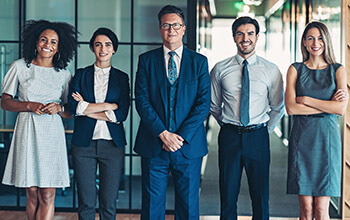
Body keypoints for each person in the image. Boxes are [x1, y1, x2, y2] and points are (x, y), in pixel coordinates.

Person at [134, 5, 210, 220]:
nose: (171, 30)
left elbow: (203, 104)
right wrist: (162, 133)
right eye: (166, 25)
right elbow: (142, 100)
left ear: (184, 29)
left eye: (176, 25)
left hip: (188, 146)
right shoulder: (146, 61)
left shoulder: (199, 62)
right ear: (160, 29)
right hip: (154, 143)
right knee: (151, 206)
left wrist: (179, 136)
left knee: (188, 206)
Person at [1, 20, 77, 220]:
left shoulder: (63, 75)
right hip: (27, 132)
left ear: (59, 47)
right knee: (32, 193)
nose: (47, 45)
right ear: (35, 42)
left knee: (47, 193)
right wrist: (29, 105)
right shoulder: (19, 67)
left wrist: (59, 108)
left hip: (52, 135)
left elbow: (69, 111)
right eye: (44, 39)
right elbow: (5, 102)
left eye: (53, 41)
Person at [210, 16, 284, 220]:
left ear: (258, 37)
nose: (245, 38)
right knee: (227, 194)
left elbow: (278, 107)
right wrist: (228, 126)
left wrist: (262, 131)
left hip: (258, 136)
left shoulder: (271, 70)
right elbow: (214, 106)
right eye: (240, 33)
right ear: (234, 37)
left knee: (260, 197)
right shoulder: (220, 69)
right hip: (229, 137)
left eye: (250, 33)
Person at [285, 21, 348, 219]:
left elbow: (340, 108)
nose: (315, 42)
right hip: (302, 141)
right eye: (310, 38)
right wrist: (325, 104)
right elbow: (291, 108)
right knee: (306, 209)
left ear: (326, 41)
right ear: (303, 42)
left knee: (322, 209)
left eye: (320, 38)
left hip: (327, 143)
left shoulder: (338, 70)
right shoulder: (295, 69)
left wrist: (307, 100)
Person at [67, 27, 130, 220]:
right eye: (98, 44)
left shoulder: (122, 78)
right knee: (86, 202)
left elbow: (121, 114)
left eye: (108, 45)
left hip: (112, 145)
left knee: (108, 203)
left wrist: (87, 107)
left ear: (114, 49)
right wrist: (107, 106)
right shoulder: (81, 74)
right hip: (83, 145)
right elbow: (73, 108)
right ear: (93, 48)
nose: (103, 49)